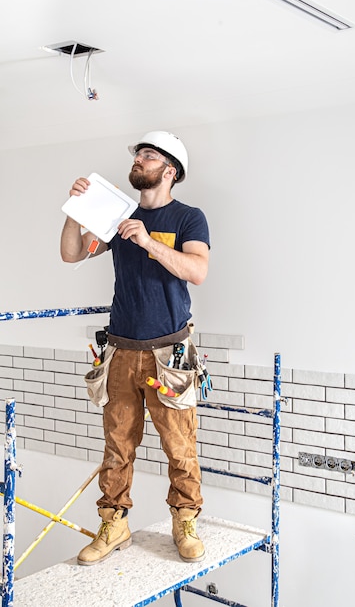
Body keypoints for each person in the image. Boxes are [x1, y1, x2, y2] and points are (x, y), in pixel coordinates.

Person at [60, 131, 210, 566]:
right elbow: (72, 254)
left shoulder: (188, 218)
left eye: (147, 156)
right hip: (121, 351)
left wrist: (147, 242)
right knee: (117, 445)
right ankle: (114, 524)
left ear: (169, 171)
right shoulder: (119, 214)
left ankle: (185, 522)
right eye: (138, 155)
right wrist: (74, 212)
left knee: (179, 445)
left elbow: (197, 270)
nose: (138, 161)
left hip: (169, 355)